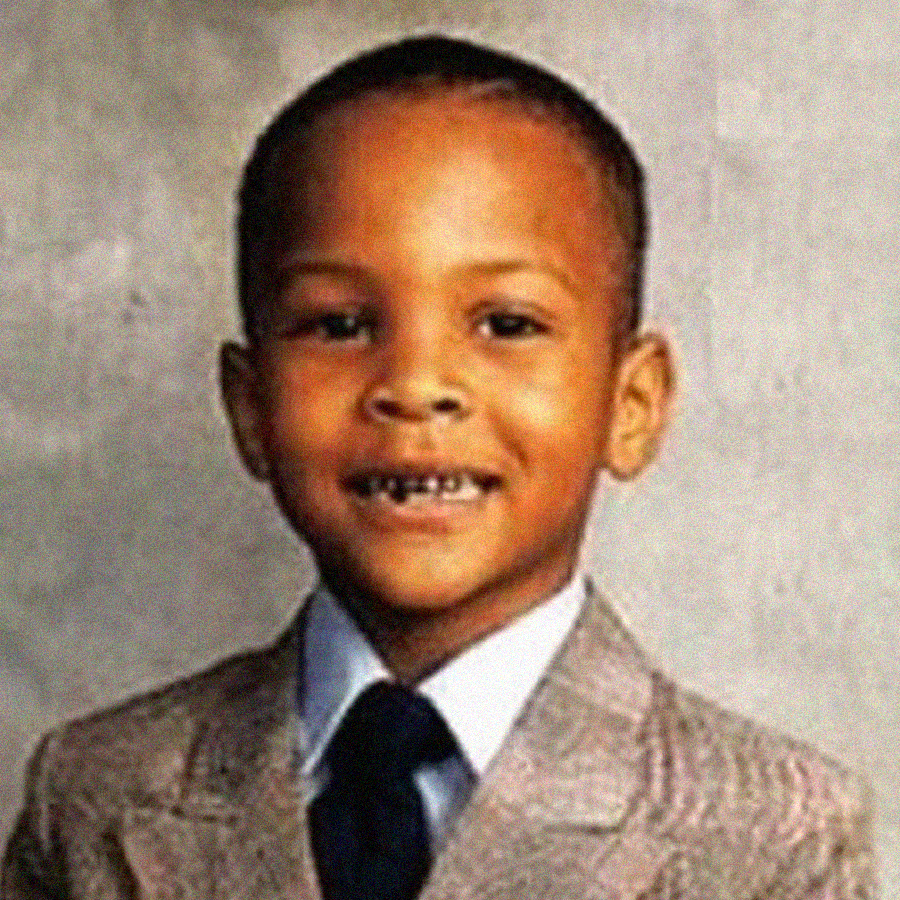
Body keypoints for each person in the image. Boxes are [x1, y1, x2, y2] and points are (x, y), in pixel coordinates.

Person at [1, 35, 874, 900]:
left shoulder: (772, 835)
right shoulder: (97, 792)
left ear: (630, 405)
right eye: (339, 325)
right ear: (250, 407)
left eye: (506, 324)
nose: (416, 388)